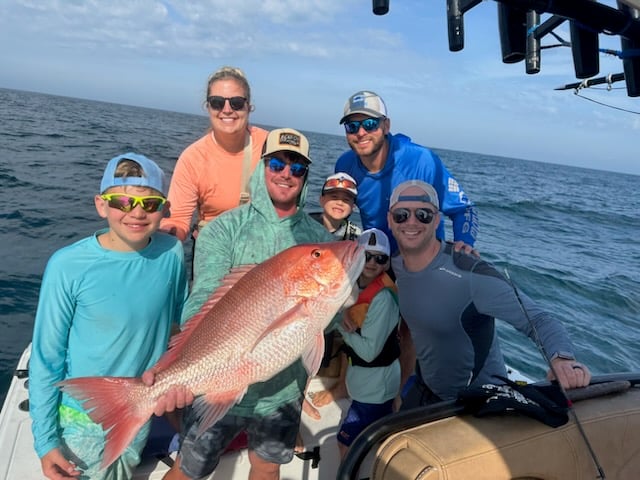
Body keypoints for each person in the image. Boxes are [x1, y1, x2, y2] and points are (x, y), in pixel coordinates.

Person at [163, 128, 333, 480]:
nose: (286, 173)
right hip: (216, 379)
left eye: (297, 167)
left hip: (283, 390)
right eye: (277, 163)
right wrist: (181, 367)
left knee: (267, 468)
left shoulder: (320, 240)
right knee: (188, 470)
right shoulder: (223, 229)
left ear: (305, 176)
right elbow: (202, 303)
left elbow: (326, 321)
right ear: (262, 167)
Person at [29, 153, 189, 480]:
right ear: (101, 205)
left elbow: (179, 328)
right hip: (81, 420)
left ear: (165, 208)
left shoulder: (171, 253)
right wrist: (46, 441)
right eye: (122, 201)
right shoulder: (67, 266)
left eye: (150, 203)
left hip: (140, 411)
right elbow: (47, 357)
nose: (137, 212)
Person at [387, 179, 591, 408]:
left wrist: (562, 359)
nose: (411, 222)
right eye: (401, 214)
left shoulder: (470, 272)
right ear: (390, 220)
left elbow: (539, 319)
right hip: (428, 389)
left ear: (437, 220)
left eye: (423, 214)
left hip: (477, 400)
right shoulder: (394, 265)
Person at [334, 90, 479, 255]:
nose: (360, 133)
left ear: (386, 126)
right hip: (377, 260)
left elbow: (464, 209)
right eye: (352, 126)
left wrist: (464, 242)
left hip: (423, 261)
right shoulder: (344, 164)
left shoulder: (421, 161)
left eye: (370, 124)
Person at [160, 66, 269, 242]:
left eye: (237, 103)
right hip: (212, 251)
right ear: (208, 107)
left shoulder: (270, 145)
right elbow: (177, 219)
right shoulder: (192, 158)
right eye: (217, 102)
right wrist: (161, 238)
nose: (227, 109)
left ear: (249, 107)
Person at [333, 228, 400, 458]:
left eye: (379, 258)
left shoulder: (382, 299)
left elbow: (369, 352)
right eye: (366, 255)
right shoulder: (353, 284)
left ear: (387, 262)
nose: (372, 263)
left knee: (346, 445)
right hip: (361, 384)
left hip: (374, 390)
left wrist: (340, 323)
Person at [309, 172, 362, 241]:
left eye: (346, 200)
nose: (340, 203)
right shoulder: (303, 226)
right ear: (321, 200)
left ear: (353, 207)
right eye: (334, 197)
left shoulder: (357, 235)